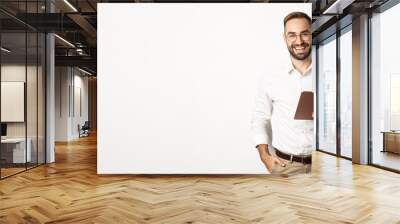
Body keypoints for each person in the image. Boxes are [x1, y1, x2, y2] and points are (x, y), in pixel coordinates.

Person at [251, 11, 313, 177]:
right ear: (284, 38)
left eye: (304, 34)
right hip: (285, 166)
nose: (299, 41)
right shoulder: (271, 77)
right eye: (292, 35)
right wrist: (265, 157)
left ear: (312, 35)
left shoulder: (329, 71)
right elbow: (260, 117)